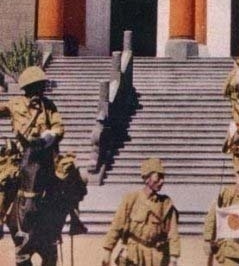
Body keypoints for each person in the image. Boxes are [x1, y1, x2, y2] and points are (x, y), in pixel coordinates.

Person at [0, 65, 86, 235]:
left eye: (42, 86)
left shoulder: (49, 106)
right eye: (38, 86)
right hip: (22, 155)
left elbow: (59, 126)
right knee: (4, 179)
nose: (41, 89)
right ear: (28, 87)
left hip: (46, 154)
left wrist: (50, 136)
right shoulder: (14, 104)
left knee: (73, 176)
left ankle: (74, 219)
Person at [101, 157, 180, 266]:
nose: (162, 181)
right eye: (158, 176)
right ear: (147, 178)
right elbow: (116, 226)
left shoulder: (166, 204)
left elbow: (173, 233)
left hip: (155, 257)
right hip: (132, 255)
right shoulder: (131, 199)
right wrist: (108, 251)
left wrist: (174, 258)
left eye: (163, 177)